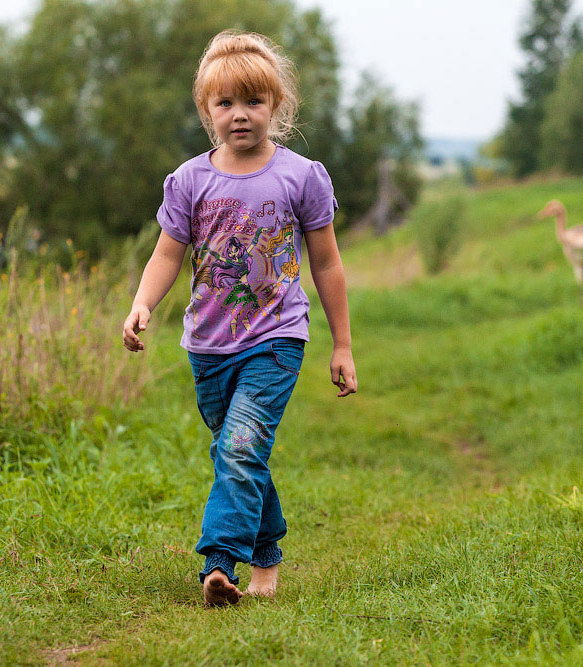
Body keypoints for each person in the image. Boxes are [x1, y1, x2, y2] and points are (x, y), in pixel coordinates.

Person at [121, 30, 357, 606]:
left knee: (241, 447)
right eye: (225, 103)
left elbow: (325, 263)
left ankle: (218, 563)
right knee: (237, 450)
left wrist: (342, 346)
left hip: (276, 339)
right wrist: (142, 303)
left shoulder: (302, 177)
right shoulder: (190, 180)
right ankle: (269, 556)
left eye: (254, 101)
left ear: (276, 106)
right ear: (207, 111)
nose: (240, 115)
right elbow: (167, 254)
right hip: (207, 345)